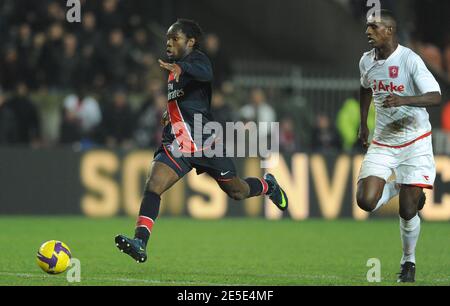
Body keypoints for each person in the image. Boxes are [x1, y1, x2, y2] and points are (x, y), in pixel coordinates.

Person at [115, 19, 288, 263]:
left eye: (175, 38)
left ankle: (268, 185)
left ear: (191, 41)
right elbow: (185, 99)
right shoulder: (175, 70)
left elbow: (206, 74)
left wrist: (181, 70)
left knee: (237, 191)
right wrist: (170, 110)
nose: (169, 42)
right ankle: (140, 242)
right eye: (167, 38)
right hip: (178, 142)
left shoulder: (197, 61)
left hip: (206, 142)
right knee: (154, 185)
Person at [357, 10, 441, 283]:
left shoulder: (410, 60)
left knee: (407, 211)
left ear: (389, 31)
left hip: (415, 140)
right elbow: (365, 88)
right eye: (368, 27)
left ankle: (408, 261)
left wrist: (404, 100)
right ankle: (402, 187)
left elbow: (436, 96)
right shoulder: (366, 61)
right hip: (383, 141)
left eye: (374, 27)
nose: (368, 32)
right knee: (365, 201)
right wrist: (363, 124)